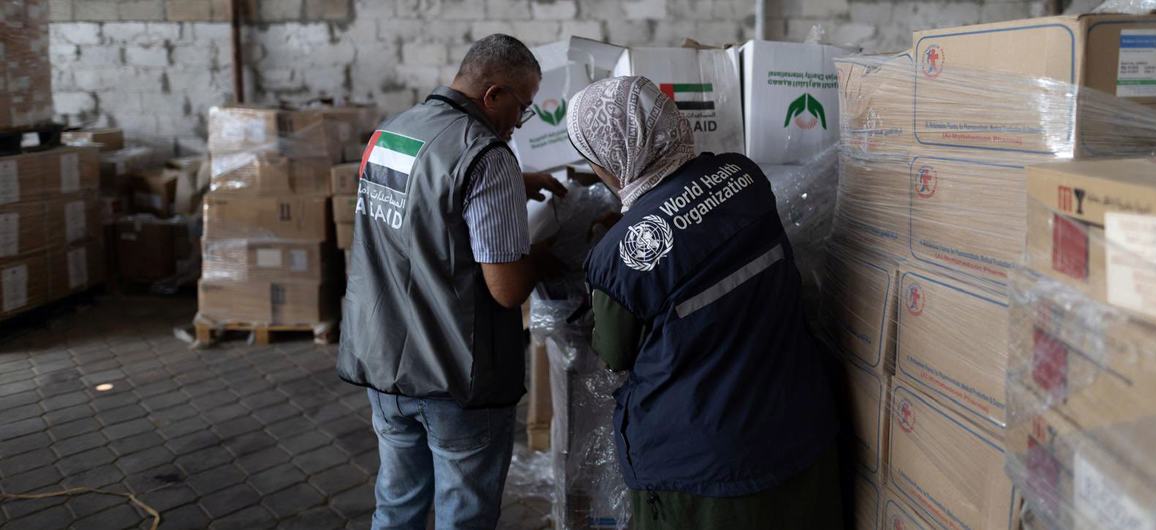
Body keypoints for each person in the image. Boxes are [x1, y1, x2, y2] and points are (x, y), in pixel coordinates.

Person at [566, 76, 842, 529]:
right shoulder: (743, 176)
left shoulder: (619, 255)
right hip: (799, 428)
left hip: (705, 471)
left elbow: (614, 352)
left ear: (616, 155)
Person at [336, 34, 566, 530]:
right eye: (522, 106)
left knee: (397, 507)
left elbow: (424, 199)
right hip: (454, 376)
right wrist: (547, 256)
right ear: (494, 95)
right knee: (463, 517)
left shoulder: (392, 132)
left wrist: (512, 186)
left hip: (383, 363)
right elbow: (506, 289)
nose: (520, 122)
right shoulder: (487, 156)